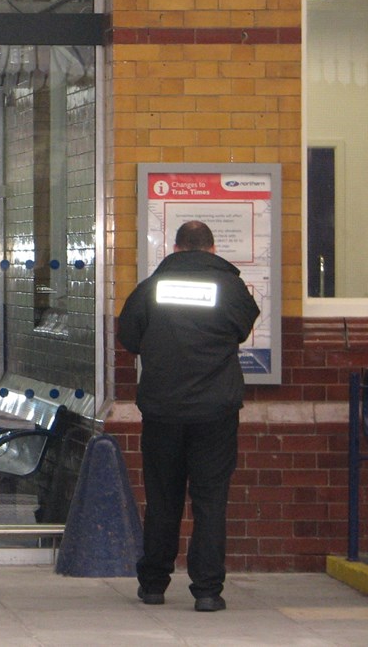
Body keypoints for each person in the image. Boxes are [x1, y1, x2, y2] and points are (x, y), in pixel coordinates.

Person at [117, 220, 260, 613]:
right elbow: (243, 329)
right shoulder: (230, 288)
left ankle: (153, 585)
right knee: (211, 500)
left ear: (176, 248)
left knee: (163, 497)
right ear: (212, 250)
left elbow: (128, 338)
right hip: (215, 411)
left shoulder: (151, 288)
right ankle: (208, 591)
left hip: (163, 410)